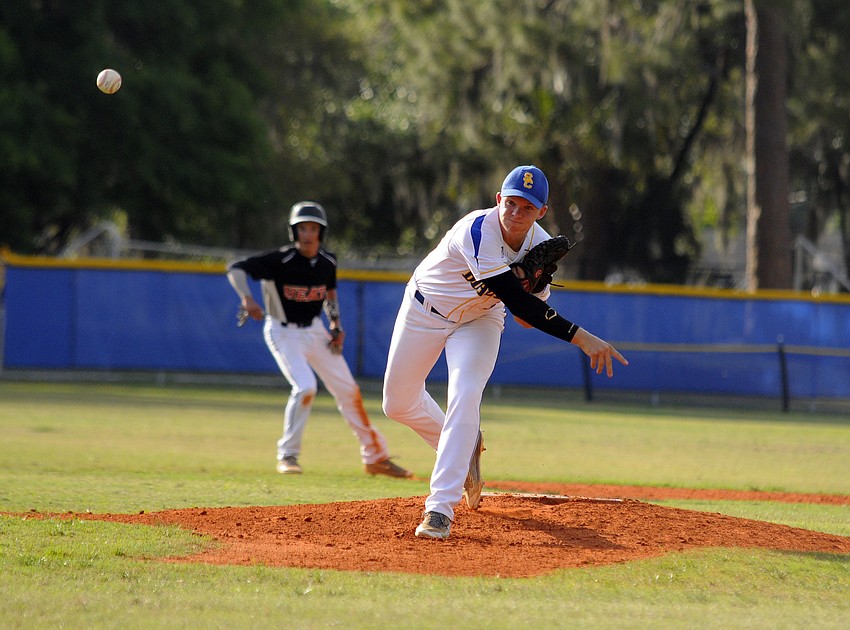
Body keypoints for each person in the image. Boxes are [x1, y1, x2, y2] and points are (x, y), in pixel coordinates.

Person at [382, 165, 628, 539]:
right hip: (425, 308)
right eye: (510, 202)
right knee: (396, 404)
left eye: (526, 207)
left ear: (541, 211)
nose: (516, 213)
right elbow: (517, 302)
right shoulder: (477, 230)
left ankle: (439, 509)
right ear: (498, 199)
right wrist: (580, 336)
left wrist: (534, 287)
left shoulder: (539, 245)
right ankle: (466, 446)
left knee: (464, 395)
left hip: (480, 320)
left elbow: (525, 318)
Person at [227, 201, 413, 479]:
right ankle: (288, 455)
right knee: (305, 388)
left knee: (349, 390)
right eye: (302, 228)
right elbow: (236, 268)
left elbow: (330, 294)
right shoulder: (280, 260)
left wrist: (336, 324)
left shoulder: (328, 262)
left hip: (315, 331)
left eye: (313, 228)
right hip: (283, 331)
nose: (308, 234)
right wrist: (247, 298)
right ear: (294, 232)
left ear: (321, 232)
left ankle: (375, 457)